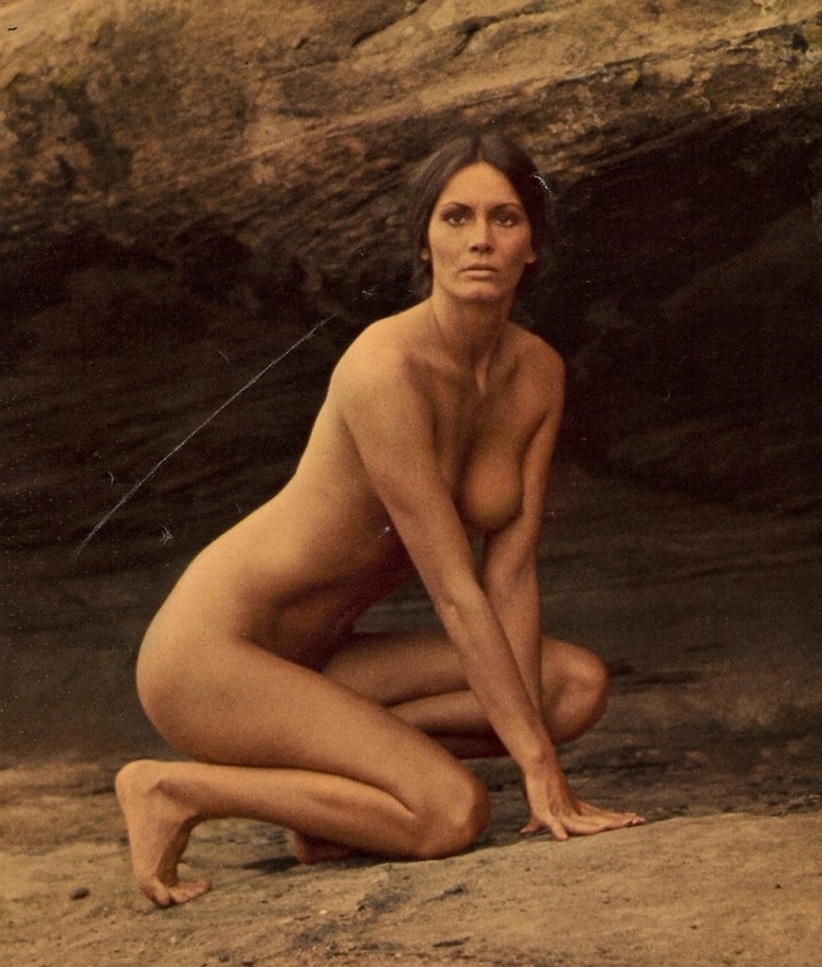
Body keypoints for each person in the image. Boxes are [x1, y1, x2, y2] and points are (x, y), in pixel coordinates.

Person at [116, 130, 643, 907]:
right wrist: (538, 768)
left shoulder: (537, 372)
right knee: (450, 812)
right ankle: (173, 789)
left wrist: (539, 742)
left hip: (323, 661)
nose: (481, 240)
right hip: (214, 655)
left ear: (532, 245)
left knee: (571, 686)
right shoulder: (383, 366)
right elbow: (455, 589)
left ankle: (334, 803)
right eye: (456, 218)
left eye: (504, 218)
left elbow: (509, 573)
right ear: (425, 243)